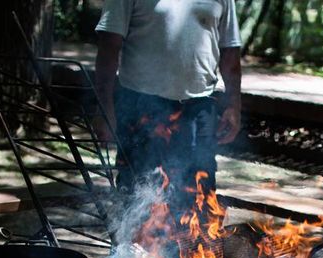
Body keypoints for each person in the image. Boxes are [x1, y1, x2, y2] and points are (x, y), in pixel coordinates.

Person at [93, 0, 242, 200]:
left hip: (200, 108)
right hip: (141, 108)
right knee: (138, 194)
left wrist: (234, 105)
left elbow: (230, 50)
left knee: (199, 195)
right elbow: (108, 47)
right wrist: (104, 109)